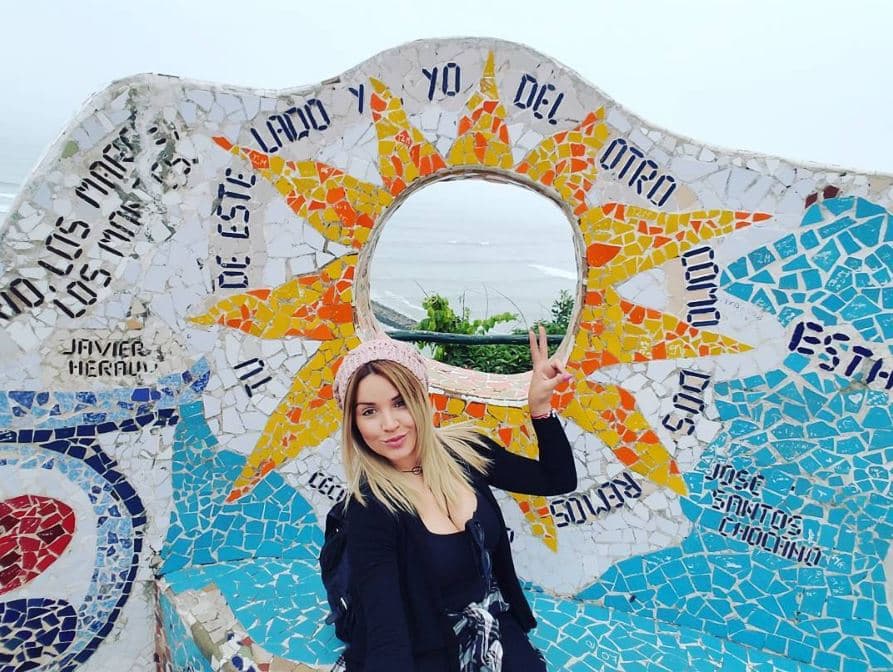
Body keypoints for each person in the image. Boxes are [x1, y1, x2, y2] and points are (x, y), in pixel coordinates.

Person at [332, 326, 577, 672]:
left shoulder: (466, 450)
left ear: (421, 399)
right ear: (354, 424)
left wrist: (539, 409)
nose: (389, 424)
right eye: (368, 411)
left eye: (399, 402)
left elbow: (558, 479)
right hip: (427, 647)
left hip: (492, 624)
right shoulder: (370, 508)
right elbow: (387, 629)